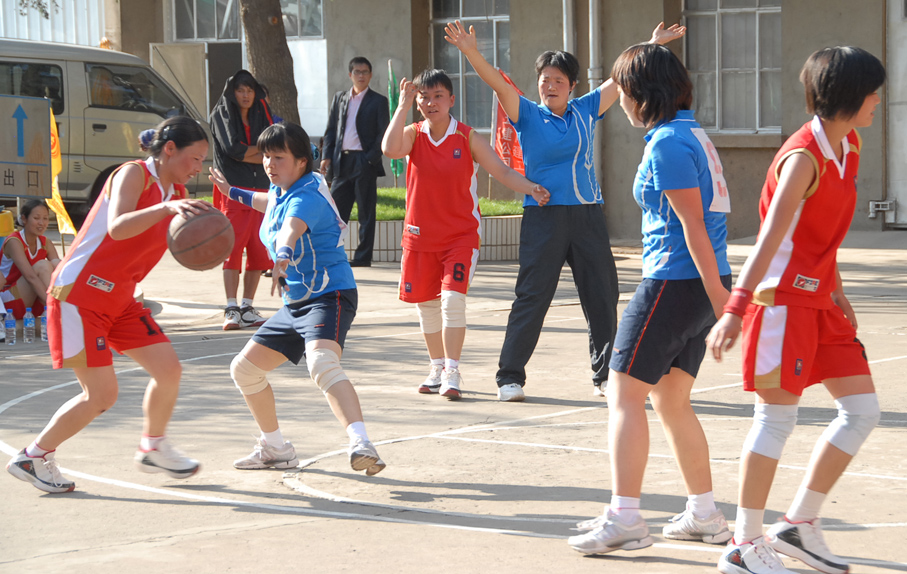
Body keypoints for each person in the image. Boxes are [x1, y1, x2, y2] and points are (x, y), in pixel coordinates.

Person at [707, 47, 885, 574]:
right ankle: (743, 543)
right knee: (776, 419)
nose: (879, 100)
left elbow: (821, 233)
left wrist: (837, 287)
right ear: (850, 96)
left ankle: (798, 525)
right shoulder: (803, 158)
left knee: (863, 410)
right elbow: (768, 240)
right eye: (872, 92)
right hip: (779, 302)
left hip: (819, 301)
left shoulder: (849, 145)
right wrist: (735, 308)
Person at [445, 21, 684, 402]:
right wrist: (471, 51)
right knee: (532, 297)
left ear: (572, 85)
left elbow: (620, 77)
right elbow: (498, 84)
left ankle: (604, 376)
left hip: (588, 216)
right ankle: (510, 377)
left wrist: (652, 43)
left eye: (558, 80)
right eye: (545, 80)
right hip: (544, 218)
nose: (551, 86)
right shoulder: (526, 113)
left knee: (602, 296)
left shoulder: (587, 109)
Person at [567, 42, 733, 556]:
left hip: (675, 282)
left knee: (622, 394)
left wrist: (723, 303)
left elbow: (693, 226)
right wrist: (717, 295)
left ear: (642, 93)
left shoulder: (666, 144)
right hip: (697, 283)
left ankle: (625, 519)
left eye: (623, 89)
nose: (619, 99)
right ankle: (704, 514)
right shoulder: (691, 133)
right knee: (670, 398)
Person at [5, 116, 210, 493]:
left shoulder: (176, 192)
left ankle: (153, 446)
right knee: (101, 395)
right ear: (169, 149)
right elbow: (118, 226)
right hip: (79, 295)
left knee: (168, 370)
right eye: (195, 158)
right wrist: (168, 210)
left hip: (120, 298)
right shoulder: (133, 174)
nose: (199, 167)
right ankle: (33, 456)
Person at [208, 122, 385, 476]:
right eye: (266, 156)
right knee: (244, 370)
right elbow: (267, 201)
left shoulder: (307, 197)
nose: (270, 164)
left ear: (302, 161)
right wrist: (231, 191)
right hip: (296, 303)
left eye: (279, 157)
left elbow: (291, 227)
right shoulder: (282, 188)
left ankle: (361, 443)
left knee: (321, 363)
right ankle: (275, 448)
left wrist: (283, 256)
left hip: (329, 296)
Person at [381, 68, 550, 400]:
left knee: (452, 300)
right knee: (426, 305)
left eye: (438, 96)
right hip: (419, 237)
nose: (431, 103)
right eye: (424, 97)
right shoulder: (413, 134)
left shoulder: (467, 137)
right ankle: (436, 367)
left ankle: (452, 370)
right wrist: (401, 106)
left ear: (451, 100)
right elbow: (390, 149)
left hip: (460, 237)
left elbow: (501, 171)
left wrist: (531, 187)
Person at [209, 70, 274, 330]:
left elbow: (271, 147)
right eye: (240, 90)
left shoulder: (261, 110)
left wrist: (251, 154)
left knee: (258, 249)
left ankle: (247, 307)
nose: (246, 95)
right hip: (232, 190)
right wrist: (259, 153)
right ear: (232, 92)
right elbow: (232, 150)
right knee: (232, 248)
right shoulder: (221, 114)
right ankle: (231, 307)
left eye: (249, 90)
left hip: (261, 190)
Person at [320, 56, 390, 267]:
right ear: (350, 75)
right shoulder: (340, 98)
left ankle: (363, 257)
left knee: (366, 213)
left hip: (364, 161)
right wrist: (326, 156)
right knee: (334, 212)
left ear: (370, 75)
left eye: (365, 72)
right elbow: (331, 130)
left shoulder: (378, 101)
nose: (361, 75)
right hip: (342, 161)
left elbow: (383, 134)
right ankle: (332, 252)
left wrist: (370, 159)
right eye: (357, 72)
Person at [0, 199, 61, 321]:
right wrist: (52, 304)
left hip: (34, 298)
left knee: (56, 264)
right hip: (9, 299)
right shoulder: (14, 241)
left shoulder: (46, 242)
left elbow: (60, 272)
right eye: (36, 218)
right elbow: (30, 277)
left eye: (45, 218)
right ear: (24, 219)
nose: (41, 223)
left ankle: (61, 307)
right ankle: (56, 308)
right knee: (43, 266)